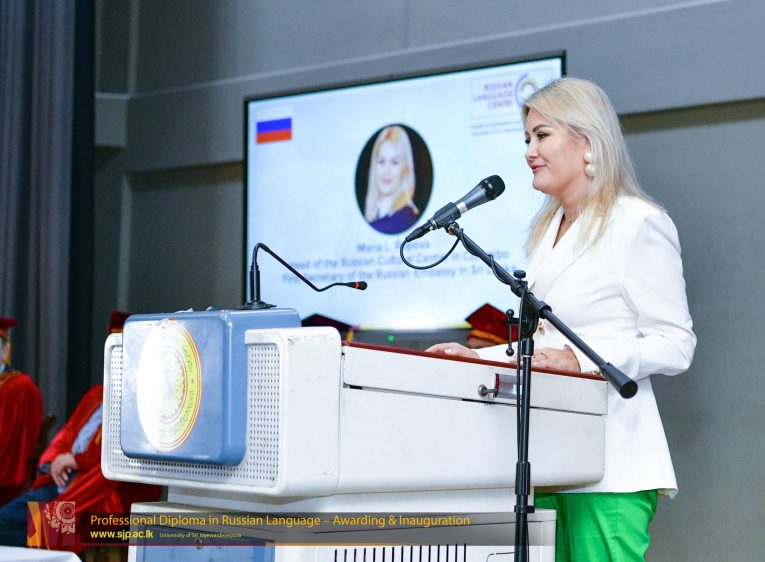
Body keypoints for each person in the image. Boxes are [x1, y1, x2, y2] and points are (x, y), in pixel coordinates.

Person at [427, 77, 696, 561]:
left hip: (612, 464)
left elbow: (676, 345)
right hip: (551, 458)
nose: (529, 151)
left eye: (542, 135)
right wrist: (475, 358)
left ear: (587, 140)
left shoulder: (637, 223)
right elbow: (544, 344)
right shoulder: (547, 229)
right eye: (526, 138)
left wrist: (582, 361)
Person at [0, 310, 161, 550]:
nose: (119, 359)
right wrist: (56, 460)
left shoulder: (148, 403)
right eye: (115, 352)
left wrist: (75, 460)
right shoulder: (97, 394)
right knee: (6, 522)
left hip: (102, 496)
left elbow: (122, 457)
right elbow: (68, 434)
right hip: (64, 484)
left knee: (42, 532)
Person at [0, 316, 43, 505]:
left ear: (5, 351)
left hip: (8, 478)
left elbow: (9, 441)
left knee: (55, 518)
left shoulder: (19, 387)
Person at [364, 125, 420, 234]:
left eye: (395, 162)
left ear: (405, 169)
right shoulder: (375, 213)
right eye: (381, 161)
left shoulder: (405, 219)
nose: (386, 171)